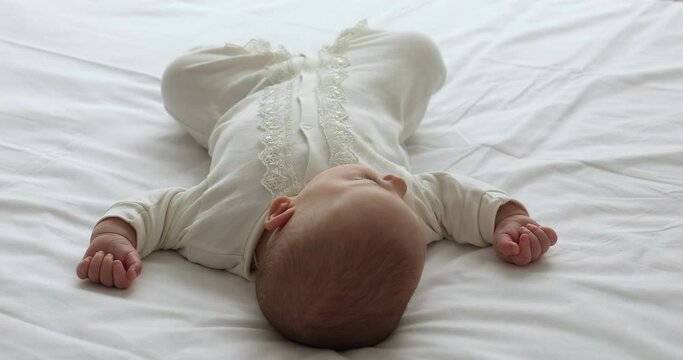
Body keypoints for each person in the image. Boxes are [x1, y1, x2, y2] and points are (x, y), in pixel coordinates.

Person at [75, 20, 557, 350]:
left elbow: (154, 211)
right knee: (418, 51)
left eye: (371, 181)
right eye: (381, 183)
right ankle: (341, 60)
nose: (394, 182)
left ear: (282, 210)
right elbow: (457, 198)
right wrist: (507, 218)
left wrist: (116, 236)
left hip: (251, 92)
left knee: (180, 78)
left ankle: (272, 62)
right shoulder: (406, 209)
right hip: (362, 87)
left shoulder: (212, 230)